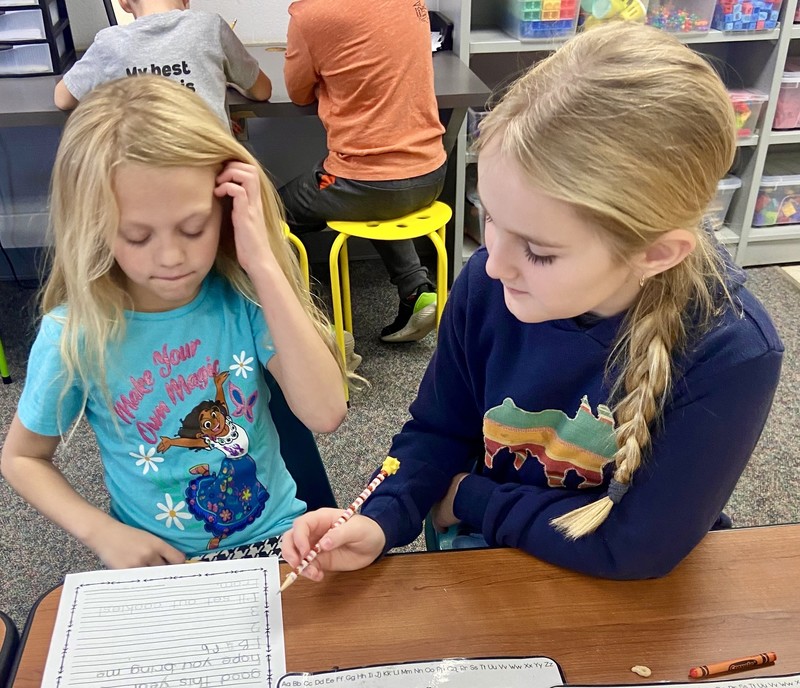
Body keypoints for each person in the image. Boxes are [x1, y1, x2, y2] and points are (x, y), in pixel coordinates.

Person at [281, 21, 785, 581]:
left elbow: (635, 547)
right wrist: (379, 516)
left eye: (540, 252)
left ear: (655, 253)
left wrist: (472, 497)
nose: (494, 264)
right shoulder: (489, 284)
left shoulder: (732, 349)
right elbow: (437, 430)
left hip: (623, 598)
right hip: (494, 565)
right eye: (491, 218)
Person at [1, 76, 347, 568]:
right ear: (94, 229)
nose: (170, 257)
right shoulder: (76, 332)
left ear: (224, 207)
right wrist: (103, 534)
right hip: (164, 563)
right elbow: (22, 458)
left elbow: (326, 412)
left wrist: (265, 264)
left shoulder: (243, 296)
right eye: (137, 237)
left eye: (193, 227)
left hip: (277, 539)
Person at [279, 0, 447, 343]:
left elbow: (297, 93)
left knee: (271, 210)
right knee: (378, 191)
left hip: (351, 182)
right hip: (432, 173)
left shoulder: (310, 15)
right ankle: (417, 292)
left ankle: (304, 323)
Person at [53, 0, 272, 128]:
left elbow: (63, 98)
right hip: (212, 179)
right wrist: (229, 80)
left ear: (124, 3)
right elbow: (262, 91)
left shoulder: (110, 43)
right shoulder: (210, 27)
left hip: (145, 185)